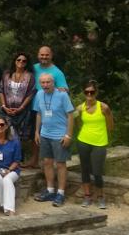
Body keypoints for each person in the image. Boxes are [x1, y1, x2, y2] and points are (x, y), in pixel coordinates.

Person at [32, 72, 75, 207]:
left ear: (53, 83)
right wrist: (37, 132)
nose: (45, 85)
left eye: (48, 82)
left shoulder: (62, 95)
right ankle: (50, 190)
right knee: (47, 163)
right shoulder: (39, 94)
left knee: (61, 164)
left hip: (60, 136)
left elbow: (70, 115)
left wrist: (68, 135)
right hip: (45, 134)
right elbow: (39, 113)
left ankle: (60, 193)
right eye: (43, 82)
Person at [75, 81, 113, 209]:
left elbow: (111, 126)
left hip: (99, 142)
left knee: (97, 171)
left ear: (96, 92)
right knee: (85, 169)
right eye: (87, 92)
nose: (89, 94)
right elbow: (77, 122)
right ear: (84, 93)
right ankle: (87, 196)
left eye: (92, 92)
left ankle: (101, 197)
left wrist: (102, 132)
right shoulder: (80, 108)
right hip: (83, 141)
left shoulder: (104, 107)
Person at [0, 52, 37, 167]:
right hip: (7, 110)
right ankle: (5, 159)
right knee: (6, 133)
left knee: (19, 137)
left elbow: (31, 93)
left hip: (22, 111)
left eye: (24, 61)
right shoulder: (7, 75)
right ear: (14, 61)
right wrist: (4, 106)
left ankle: (18, 160)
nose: (21, 62)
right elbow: (1, 90)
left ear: (26, 63)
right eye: (18, 60)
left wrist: (21, 107)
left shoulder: (29, 76)